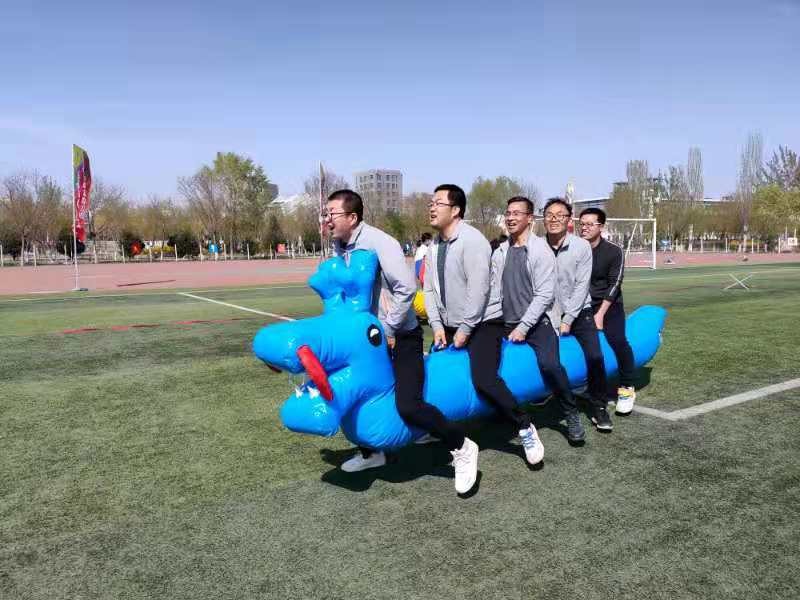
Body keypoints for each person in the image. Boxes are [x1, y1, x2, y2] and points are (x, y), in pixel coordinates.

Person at [325, 190, 471, 495]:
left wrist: (389, 329)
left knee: (408, 405)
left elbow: (406, 288)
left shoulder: (380, 242)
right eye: (326, 214)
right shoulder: (339, 247)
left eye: (332, 214)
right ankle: (372, 454)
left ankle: (461, 446)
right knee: (356, 395)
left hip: (400, 336)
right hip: (365, 342)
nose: (327, 220)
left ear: (352, 217)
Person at [424, 184, 541, 489]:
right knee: (431, 373)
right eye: (431, 202)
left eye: (438, 203)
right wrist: (437, 326)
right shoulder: (434, 245)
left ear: (456, 210)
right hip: (449, 324)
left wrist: (464, 331)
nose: (431, 207)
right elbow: (429, 290)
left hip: (485, 323)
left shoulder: (473, 241)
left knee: (484, 379)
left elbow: (479, 292)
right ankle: (437, 428)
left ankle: (524, 426)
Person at [490, 196, 580, 445]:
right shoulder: (500, 252)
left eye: (517, 213)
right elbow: (495, 291)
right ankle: (501, 410)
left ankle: (570, 412)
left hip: (538, 322)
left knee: (550, 365)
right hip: (505, 322)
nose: (510, 218)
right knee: (489, 365)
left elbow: (544, 295)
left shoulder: (540, 250)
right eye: (508, 213)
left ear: (529, 218)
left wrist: (523, 327)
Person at [542, 197, 613, 437]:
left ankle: (599, 406)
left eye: (560, 215)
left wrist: (568, 319)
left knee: (595, 356)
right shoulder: (537, 246)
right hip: (547, 313)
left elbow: (582, 286)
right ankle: (545, 394)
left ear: (569, 220)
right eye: (549, 215)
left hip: (580, 311)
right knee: (544, 358)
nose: (554, 219)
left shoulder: (581, 247)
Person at [578, 208, 636, 415]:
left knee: (618, 340)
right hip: (581, 304)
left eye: (589, 224)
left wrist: (600, 314)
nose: (584, 228)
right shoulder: (576, 249)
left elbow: (615, 284)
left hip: (609, 304)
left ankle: (627, 388)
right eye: (582, 224)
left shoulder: (614, 251)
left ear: (601, 227)